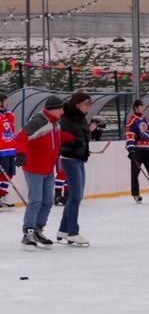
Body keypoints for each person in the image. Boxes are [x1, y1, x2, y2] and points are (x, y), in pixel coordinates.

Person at [16, 96, 66, 249]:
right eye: (61, 109)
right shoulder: (38, 121)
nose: (63, 112)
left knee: (48, 201)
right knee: (36, 200)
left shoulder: (55, 123)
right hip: (34, 168)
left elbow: (56, 140)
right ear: (53, 109)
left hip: (48, 168)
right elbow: (21, 137)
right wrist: (20, 153)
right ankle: (28, 232)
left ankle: (38, 229)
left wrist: (75, 139)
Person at [56, 92, 95, 246]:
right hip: (69, 160)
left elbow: (84, 136)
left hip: (79, 159)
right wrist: (76, 142)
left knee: (76, 196)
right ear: (77, 103)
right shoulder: (66, 118)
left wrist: (93, 131)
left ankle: (63, 230)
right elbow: (62, 139)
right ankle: (72, 232)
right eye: (87, 103)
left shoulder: (80, 117)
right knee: (75, 197)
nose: (88, 107)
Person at [125, 99, 149, 203]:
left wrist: (141, 135)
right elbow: (129, 134)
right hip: (137, 150)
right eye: (141, 106)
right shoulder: (132, 119)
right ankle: (136, 194)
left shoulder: (147, 119)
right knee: (135, 172)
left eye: (143, 106)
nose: (143, 108)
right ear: (136, 108)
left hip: (148, 149)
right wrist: (131, 148)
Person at [0, 94, 15, 208]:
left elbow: (11, 126)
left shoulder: (7, 114)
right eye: (5, 101)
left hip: (11, 150)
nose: (7, 103)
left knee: (9, 174)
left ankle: (1, 195)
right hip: (2, 150)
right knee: (1, 175)